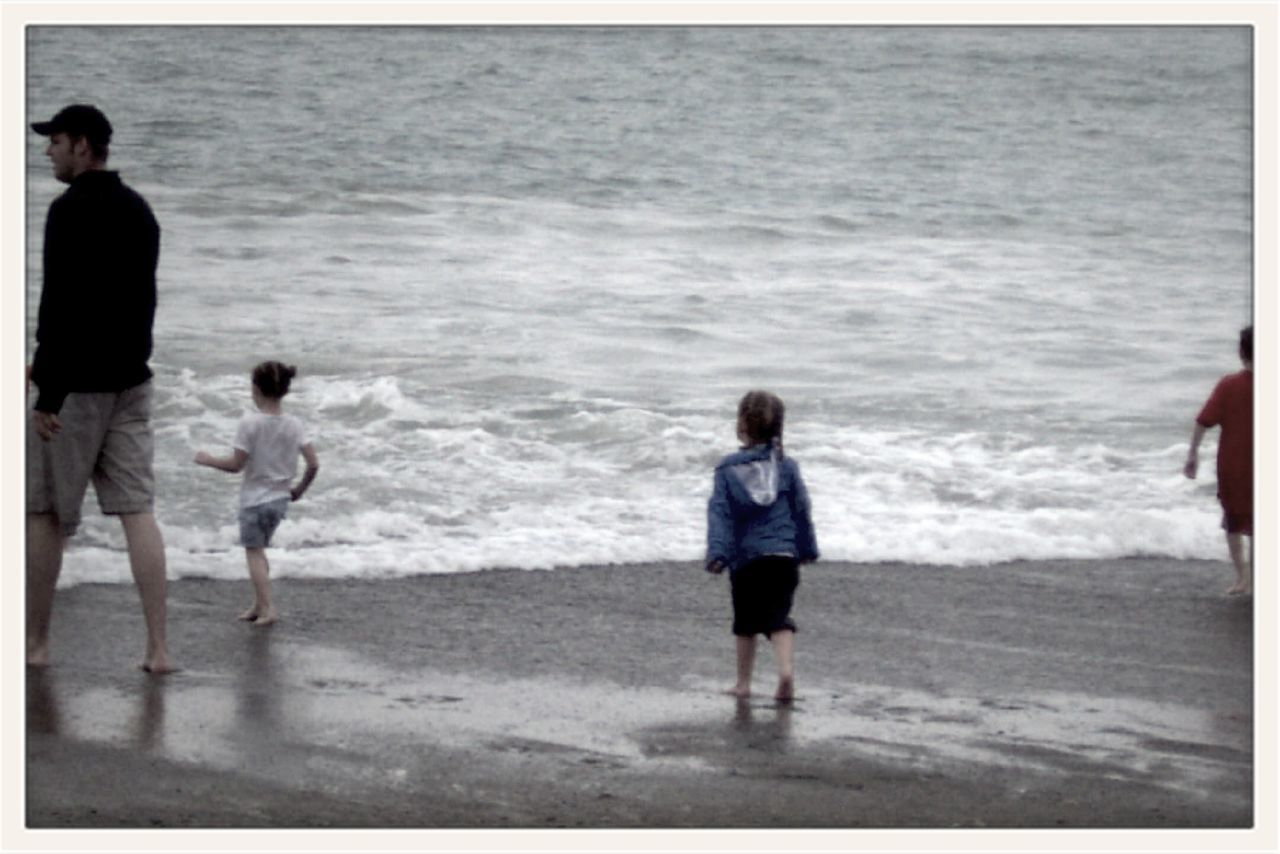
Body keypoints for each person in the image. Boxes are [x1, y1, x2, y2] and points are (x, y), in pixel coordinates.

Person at [26, 104, 173, 673]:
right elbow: (145, 299)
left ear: (83, 145)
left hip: (79, 388)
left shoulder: (68, 211)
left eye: (56, 141)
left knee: (42, 513)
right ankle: (158, 649)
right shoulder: (140, 209)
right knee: (138, 511)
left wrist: (48, 393)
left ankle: (36, 645)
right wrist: (134, 358)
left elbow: (59, 304)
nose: (48, 152)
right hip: (133, 380)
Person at [706, 390, 819, 702]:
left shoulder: (728, 469)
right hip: (784, 557)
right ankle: (785, 671)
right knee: (778, 617)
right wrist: (807, 548)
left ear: (741, 424)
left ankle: (743, 683)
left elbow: (721, 515)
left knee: (745, 622)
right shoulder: (787, 467)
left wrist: (718, 553)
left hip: (747, 561)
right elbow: (801, 510)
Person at [195, 361, 319, 626]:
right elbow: (314, 464)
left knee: (253, 553)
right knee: (260, 553)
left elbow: (235, 465)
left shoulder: (250, 423)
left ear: (256, 389)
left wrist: (207, 460)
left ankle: (268, 608)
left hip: (254, 501)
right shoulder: (295, 424)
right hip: (280, 500)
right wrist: (298, 490)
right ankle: (258, 604)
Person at [1185, 326, 1253, 595]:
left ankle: (1243, 577)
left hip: (1234, 468)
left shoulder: (1228, 386)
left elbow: (1203, 421)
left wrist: (1193, 454)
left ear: (1240, 352)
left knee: (1234, 523)